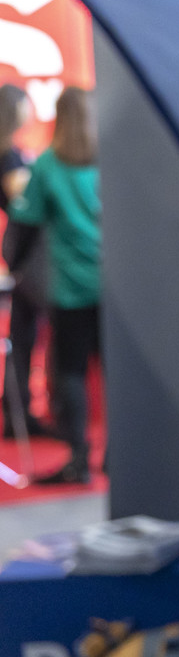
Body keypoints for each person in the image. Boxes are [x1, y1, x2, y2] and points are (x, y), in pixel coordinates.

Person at [9, 87, 100, 485]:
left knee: (71, 370)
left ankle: (79, 457)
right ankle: (115, 456)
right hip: (110, 287)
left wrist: (14, 266)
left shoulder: (48, 166)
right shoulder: (106, 161)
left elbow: (24, 225)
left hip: (72, 287)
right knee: (110, 372)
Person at [0, 84, 48, 440]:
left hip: (24, 252)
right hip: (29, 254)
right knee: (25, 331)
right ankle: (18, 412)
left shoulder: (11, 154)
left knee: (24, 330)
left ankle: (18, 410)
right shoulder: (9, 157)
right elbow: (23, 206)